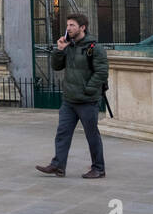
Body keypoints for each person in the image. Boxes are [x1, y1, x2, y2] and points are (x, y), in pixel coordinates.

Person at [37, 12, 108, 179]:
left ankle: (99, 168)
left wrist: (88, 90)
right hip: (69, 100)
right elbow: (56, 66)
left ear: (82, 28)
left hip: (87, 101)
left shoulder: (95, 48)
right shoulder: (68, 46)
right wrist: (59, 50)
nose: (68, 28)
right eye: (67, 25)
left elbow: (102, 72)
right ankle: (58, 166)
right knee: (62, 133)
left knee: (92, 136)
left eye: (72, 25)